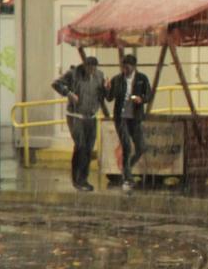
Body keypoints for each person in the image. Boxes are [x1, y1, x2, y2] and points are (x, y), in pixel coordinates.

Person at [52, 55, 108, 192]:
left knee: (88, 148)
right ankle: (77, 179)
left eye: (94, 68)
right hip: (75, 115)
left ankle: (83, 179)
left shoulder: (99, 75)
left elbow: (103, 95)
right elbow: (56, 84)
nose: (91, 71)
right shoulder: (74, 73)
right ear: (84, 66)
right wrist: (69, 93)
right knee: (81, 145)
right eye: (89, 68)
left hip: (91, 116)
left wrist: (107, 89)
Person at [106, 53, 153, 192]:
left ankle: (126, 169)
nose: (124, 70)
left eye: (127, 67)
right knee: (126, 145)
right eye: (123, 67)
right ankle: (127, 177)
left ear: (133, 67)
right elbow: (109, 98)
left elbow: (149, 95)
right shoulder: (117, 79)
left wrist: (141, 99)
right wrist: (107, 88)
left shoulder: (142, 79)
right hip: (121, 118)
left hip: (135, 117)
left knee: (141, 147)